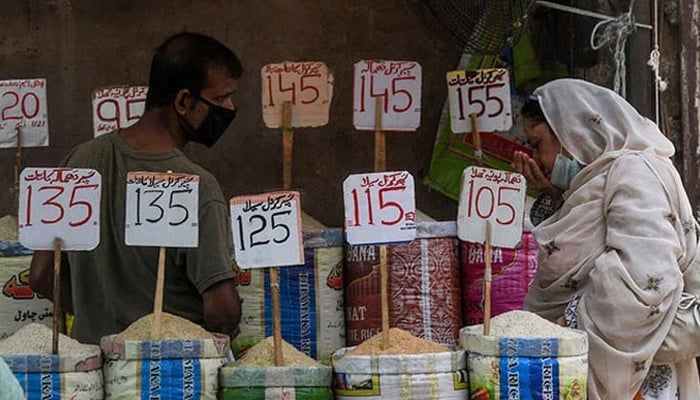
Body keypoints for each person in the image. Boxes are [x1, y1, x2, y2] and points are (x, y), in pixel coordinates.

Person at [29, 32, 242, 344]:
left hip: (94, 372)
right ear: (183, 101)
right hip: (170, 375)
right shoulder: (198, 186)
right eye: (222, 99)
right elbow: (222, 311)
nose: (230, 107)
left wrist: (101, 314)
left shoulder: (78, 160)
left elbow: (41, 276)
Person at [512, 78, 700, 399]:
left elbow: (641, 279)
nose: (536, 158)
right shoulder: (598, 180)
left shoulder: (636, 173)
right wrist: (554, 192)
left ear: (571, 133)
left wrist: (571, 322)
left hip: (637, 368)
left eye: (537, 143)